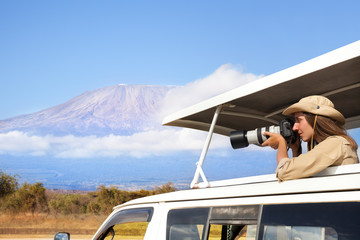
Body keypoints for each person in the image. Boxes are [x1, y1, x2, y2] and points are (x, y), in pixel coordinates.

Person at [262, 95, 359, 181]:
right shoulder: (332, 145)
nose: (294, 128)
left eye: (299, 120)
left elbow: (284, 171)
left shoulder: (336, 143)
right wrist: (296, 149)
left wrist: (281, 142)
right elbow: (298, 174)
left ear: (315, 120)